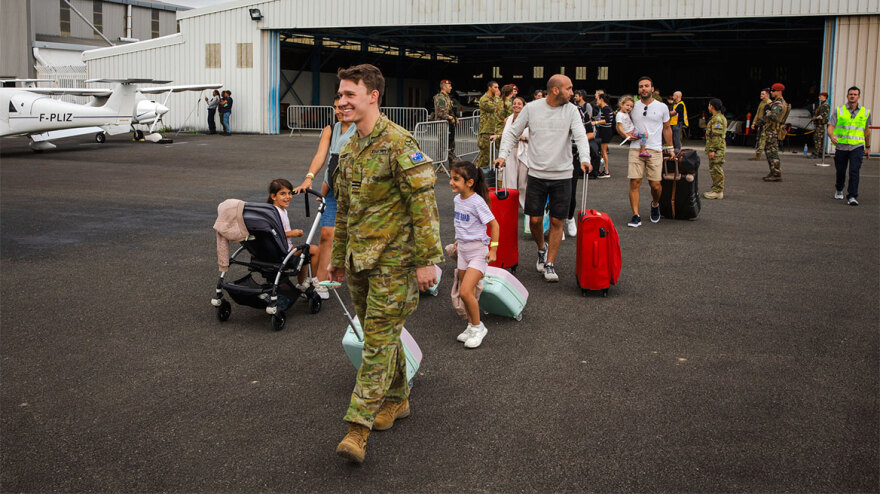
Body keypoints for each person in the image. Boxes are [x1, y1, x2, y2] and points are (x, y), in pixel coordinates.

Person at [329, 64, 443, 464]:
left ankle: (356, 429)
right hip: (360, 261)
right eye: (339, 95)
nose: (341, 101)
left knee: (375, 342)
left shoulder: (398, 142)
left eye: (349, 95)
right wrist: (338, 257)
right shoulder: (349, 146)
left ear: (372, 96)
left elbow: (423, 206)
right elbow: (343, 209)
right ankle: (398, 398)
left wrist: (426, 261)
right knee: (383, 336)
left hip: (394, 262)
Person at [495, 74, 592, 282]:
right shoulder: (532, 108)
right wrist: (502, 155)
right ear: (555, 90)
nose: (572, 92)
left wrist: (585, 158)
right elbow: (512, 133)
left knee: (557, 220)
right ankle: (541, 248)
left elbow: (581, 136)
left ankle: (550, 263)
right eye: (569, 88)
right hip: (537, 173)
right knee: (536, 220)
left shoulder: (572, 111)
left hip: (563, 174)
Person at [294, 96, 357, 299]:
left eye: (342, 107)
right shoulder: (331, 128)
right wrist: (309, 178)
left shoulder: (361, 127)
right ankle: (321, 282)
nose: (339, 111)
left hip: (356, 190)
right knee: (326, 235)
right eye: (336, 107)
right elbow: (323, 157)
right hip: (333, 190)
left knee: (356, 237)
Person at [449, 160, 499, 349]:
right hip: (463, 250)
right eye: (451, 178)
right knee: (465, 293)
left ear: (469, 182)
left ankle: (478, 328)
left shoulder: (477, 202)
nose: (451, 182)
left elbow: (494, 225)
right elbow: (461, 223)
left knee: (465, 291)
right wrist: (457, 239)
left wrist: (493, 248)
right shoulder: (457, 200)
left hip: (478, 251)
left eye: (456, 179)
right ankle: (471, 326)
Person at [627, 76, 673, 228]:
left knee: (656, 185)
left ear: (652, 89)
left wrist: (671, 148)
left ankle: (654, 204)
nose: (643, 89)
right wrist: (626, 135)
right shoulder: (632, 106)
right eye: (641, 86)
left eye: (646, 86)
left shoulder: (662, 107)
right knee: (635, 182)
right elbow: (622, 122)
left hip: (655, 149)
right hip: (635, 147)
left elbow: (667, 128)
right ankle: (635, 214)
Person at [266, 179, 319, 287]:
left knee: (304, 253)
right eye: (283, 194)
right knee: (315, 250)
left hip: (278, 249)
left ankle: (302, 283)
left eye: (290, 193)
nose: (288, 197)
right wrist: (292, 233)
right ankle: (313, 280)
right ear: (273, 196)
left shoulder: (277, 210)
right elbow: (272, 234)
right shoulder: (277, 213)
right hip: (282, 251)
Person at [828, 86, 872, 206]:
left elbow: (867, 131)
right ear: (847, 96)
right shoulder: (839, 111)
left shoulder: (865, 112)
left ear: (859, 96)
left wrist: (868, 147)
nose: (852, 96)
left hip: (857, 147)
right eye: (850, 94)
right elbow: (830, 126)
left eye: (855, 94)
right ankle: (839, 188)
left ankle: (852, 196)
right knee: (841, 171)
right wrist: (831, 136)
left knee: (854, 171)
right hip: (841, 147)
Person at [501, 96, 531, 215]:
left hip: (524, 152)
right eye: (514, 103)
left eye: (519, 104)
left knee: (523, 183)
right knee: (510, 181)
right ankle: (510, 206)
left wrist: (523, 138)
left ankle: (525, 207)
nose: (516, 105)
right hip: (510, 153)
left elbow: (534, 138)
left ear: (524, 106)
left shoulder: (529, 120)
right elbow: (505, 136)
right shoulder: (507, 120)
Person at [703, 99, 728, 200]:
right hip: (717, 148)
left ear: (712, 106)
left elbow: (716, 136)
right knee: (714, 169)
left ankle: (718, 191)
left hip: (717, 149)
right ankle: (715, 190)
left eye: (709, 105)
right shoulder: (717, 117)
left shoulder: (717, 119)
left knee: (716, 169)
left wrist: (712, 149)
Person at [762, 83, 787, 182]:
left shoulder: (778, 103)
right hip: (771, 130)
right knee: (769, 151)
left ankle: (776, 172)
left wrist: (767, 112)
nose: (771, 92)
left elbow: (774, 116)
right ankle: (773, 171)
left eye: (773, 91)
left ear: (779, 91)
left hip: (773, 130)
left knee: (772, 152)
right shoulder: (777, 102)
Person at [476, 81, 501, 175]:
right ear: (490, 88)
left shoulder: (494, 99)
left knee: (492, 156)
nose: (497, 89)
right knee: (485, 157)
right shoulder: (484, 99)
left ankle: (487, 176)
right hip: (486, 131)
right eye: (495, 87)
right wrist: (498, 98)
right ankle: (479, 175)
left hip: (494, 130)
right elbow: (494, 108)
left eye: (498, 87)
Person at [433, 79, 458, 162]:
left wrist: (454, 118)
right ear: (444, 87)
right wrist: (450, 118)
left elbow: (450, 110)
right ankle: (440, 164)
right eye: (449, 86)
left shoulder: (448, 97)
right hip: (442, 125)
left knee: (451, 144)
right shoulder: (440, 98)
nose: (451, 88)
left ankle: (451, 162)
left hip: (449, 125)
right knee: (442, 144)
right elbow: (440, 112)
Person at [593, 91, 614, 178]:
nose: (596, 101)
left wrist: (595, 122)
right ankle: (604, 168)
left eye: (597, 99)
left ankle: (606, 171)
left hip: (605, 131)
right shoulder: (606, 108)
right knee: (602, 151)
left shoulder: (605, 108)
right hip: (605, 131)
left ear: (601, 99)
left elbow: (607, 120)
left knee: (604, 152)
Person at [749, 88, 772, 160]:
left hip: (766, 124)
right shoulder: (761, 102)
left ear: (767, 95)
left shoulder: (769, 103)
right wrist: (754, 123)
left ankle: (758, 155)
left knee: (762, 139)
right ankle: (759, 154)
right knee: (761, 139)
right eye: (761, 94)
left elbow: (769, 115)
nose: (761, 95)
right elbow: (758, 113)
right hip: (760, 123)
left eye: (763, 94)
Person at [811, 91, 831, 158]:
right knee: (820, 139)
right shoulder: (822, 104)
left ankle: (817, 153)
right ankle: (820, 152)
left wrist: (816, 117)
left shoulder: (825, 105)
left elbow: (824, 115)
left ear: (824, 97)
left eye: (820, 96)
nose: (819, 97)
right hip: (819, 124)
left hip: (821, 125)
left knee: (818, 139)